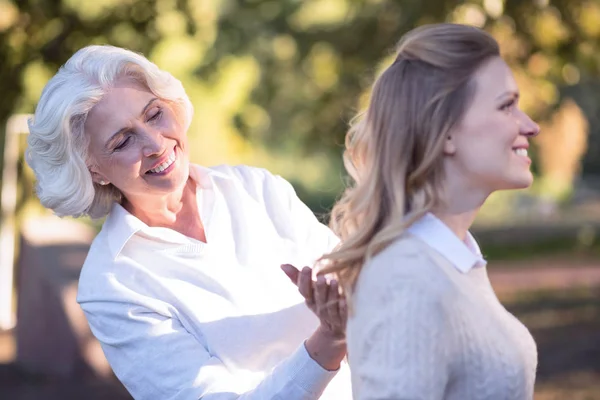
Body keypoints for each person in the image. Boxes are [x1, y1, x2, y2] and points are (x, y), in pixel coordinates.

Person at [25, 45, 352, 399]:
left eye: (154, 115)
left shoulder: (254, 187)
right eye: (123, 141)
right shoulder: (113, 285)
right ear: (94, 171)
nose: (155, 144)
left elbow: (356, 286)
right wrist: (328, 343)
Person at [320, 23, 541, 399]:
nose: (530, 126)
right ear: (446, 130)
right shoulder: (405, 280)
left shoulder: (453, 261)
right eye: (507, 105)